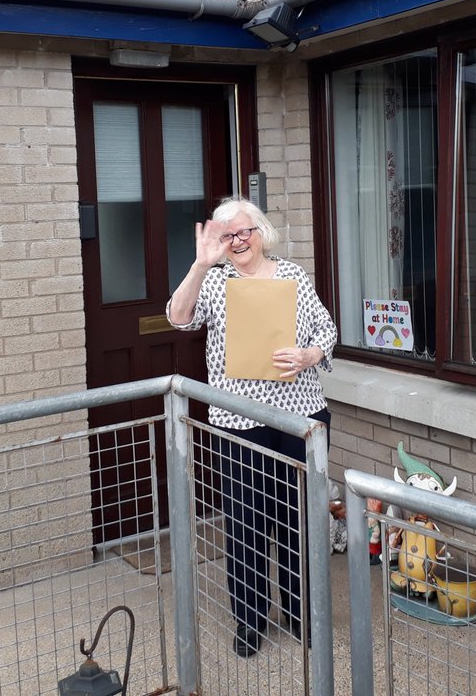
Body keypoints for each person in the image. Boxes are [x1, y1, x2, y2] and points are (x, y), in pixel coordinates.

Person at [166, 197, 336, 658]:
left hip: (301, 416)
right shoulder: (214, 281)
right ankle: (250, 620)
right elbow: (178, 317)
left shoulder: (292, 275)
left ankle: (303, 614)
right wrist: (200, 265)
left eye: (245, 231)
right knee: (246, 524)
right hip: (240, 420)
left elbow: (326, 331)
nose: (238, 241)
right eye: (228, 236)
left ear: (261, 233)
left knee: (299, 520)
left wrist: (309, 355)